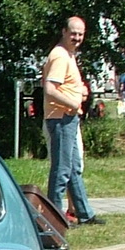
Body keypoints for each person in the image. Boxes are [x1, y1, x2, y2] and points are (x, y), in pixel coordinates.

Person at [42, 16, 102, 224]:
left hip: (68, 117)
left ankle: (85, 214)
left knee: (74, 167)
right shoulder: (59, 55)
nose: (77, 37)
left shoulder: (69, 55)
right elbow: (50, 89)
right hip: (61, 118)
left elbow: (63, 84)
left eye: (80, 34)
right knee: (61, 170)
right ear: (64, 32)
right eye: (73, 33)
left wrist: (80, 92)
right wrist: (73, 104)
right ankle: (54, 218)